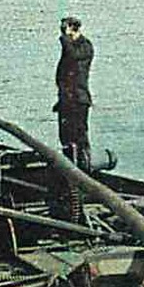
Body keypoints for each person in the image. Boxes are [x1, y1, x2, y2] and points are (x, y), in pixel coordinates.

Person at [54, 16, 94, 172]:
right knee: (66, 137)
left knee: (80, 136)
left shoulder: (85, 46)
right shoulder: (71, 46)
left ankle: (84, 170)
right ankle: (70, 169)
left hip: (78, 100)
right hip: (66, 100)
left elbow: (73, 55)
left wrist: (65, 38)